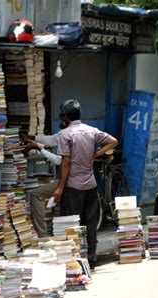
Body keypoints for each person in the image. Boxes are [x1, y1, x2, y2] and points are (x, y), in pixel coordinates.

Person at [53, 99, 118, 270]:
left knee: (72, 224)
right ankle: (92, 259)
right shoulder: (92, 131)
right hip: (91, 185)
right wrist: (96, 153)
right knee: (90, 223)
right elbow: (113, 141)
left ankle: (73, 261)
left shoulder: (65, 135)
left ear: (66, 117)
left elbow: (65, 162)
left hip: (73, 186)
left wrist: (60, 187)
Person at [21, 133, 61, 237]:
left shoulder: (67, 135)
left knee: (36, 194)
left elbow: (60, 161)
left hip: (70, 180)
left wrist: (38, 147)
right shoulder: (83, 134)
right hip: (81, 180)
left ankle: (42, 235)